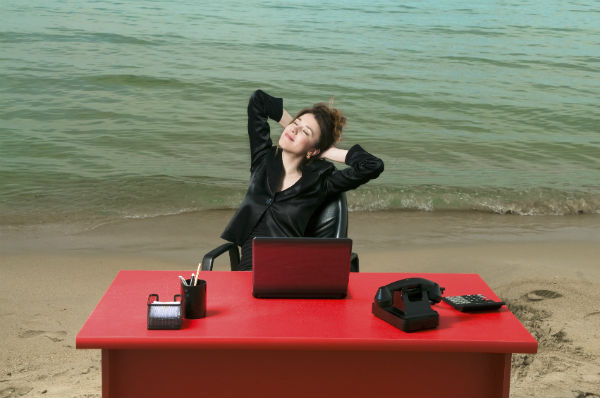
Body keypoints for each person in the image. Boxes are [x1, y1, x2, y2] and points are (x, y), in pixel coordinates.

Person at [221, 89, 384, 270]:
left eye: (305, 132)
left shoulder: (321, 183)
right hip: (248, 271)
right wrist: (293, 127)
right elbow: (259, 100)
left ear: (313, 150)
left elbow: (372, 165)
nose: (294, 128)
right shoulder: (263, 158)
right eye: (295, 123)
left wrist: (327, 151)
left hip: (289, 269)